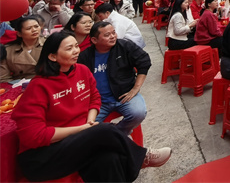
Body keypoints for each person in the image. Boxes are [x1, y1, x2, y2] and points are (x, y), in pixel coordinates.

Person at [12, 32, 170, 182]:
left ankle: (136, 159)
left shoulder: (82, 70)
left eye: (76, 46)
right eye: (69, 48)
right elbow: (34, 136)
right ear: (52, 56)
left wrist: (90, 121)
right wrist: (83, 129)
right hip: (43, 156)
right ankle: (142, 157)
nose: (76, 51)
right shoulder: (38, 87)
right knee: (105, 130)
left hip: (77, 142)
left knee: (110, 158)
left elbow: (94, 97)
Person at [78, 22, 151, 136]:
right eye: (107, 35)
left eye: (113, 33)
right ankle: (112, 136)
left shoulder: (125, 46)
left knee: (138, 113)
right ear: (94, 40)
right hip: (98, 102)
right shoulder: (85, 56)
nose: (112, 36)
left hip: (124, 96)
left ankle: (117, 134)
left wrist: (136, 88)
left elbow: (144, 62)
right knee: (85, 129)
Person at [0, 16, 44, 81]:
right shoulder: (8, 50)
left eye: (36, 26)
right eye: (29, 28)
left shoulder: (49, 43)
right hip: (19, 83)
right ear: (19, 33)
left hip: (45, 81)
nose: (34, 30)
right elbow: (4, 77)